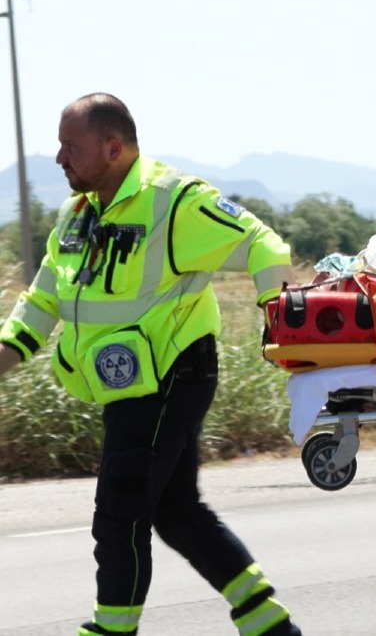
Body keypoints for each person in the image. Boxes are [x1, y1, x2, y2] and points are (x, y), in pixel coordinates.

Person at [0, 93, 301, 636]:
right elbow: (43, 298)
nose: (60, 158)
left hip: (170, 376)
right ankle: (267, 621)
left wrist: (278, 320)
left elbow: (263, 243)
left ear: (113, 148)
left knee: (119, 513)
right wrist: (7, 353)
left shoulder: (174, 201)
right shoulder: (76, 213)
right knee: (176, 511)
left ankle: (112, 629)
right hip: (126, 383)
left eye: (71, 147)